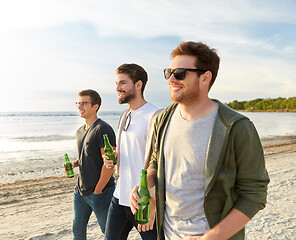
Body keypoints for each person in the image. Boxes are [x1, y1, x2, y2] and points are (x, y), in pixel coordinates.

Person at [130, 41, 269, 240]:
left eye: (179, 73)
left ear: (205, 78)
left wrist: (211, 237)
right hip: (167, 234)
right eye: (168, 72)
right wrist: (148, 183)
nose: (171, 79)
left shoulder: (236, 127)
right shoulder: (163, 119)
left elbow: (254, 194)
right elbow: (156, 160)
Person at [103, 63, 162, 240]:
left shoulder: (155, 116)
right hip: (119, 197)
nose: (117, 88)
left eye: (122, 83)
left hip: (143, 201)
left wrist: (154, 202)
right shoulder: (124, 115)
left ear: (138, 85)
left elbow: (162, 161)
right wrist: (112, 159)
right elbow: (127, 152)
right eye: (116, 83)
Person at [65, 89, 116, 240]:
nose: (79, 107)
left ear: (95, 106)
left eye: (84, 103)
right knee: (78, 231)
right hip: (80, 191)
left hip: (101, 192)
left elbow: (109, 163)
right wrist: (76, 163)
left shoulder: (103, 129)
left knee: (109, 233)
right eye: (78, 103)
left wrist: (98, 190)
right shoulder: (80, 131)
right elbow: (88, 155)